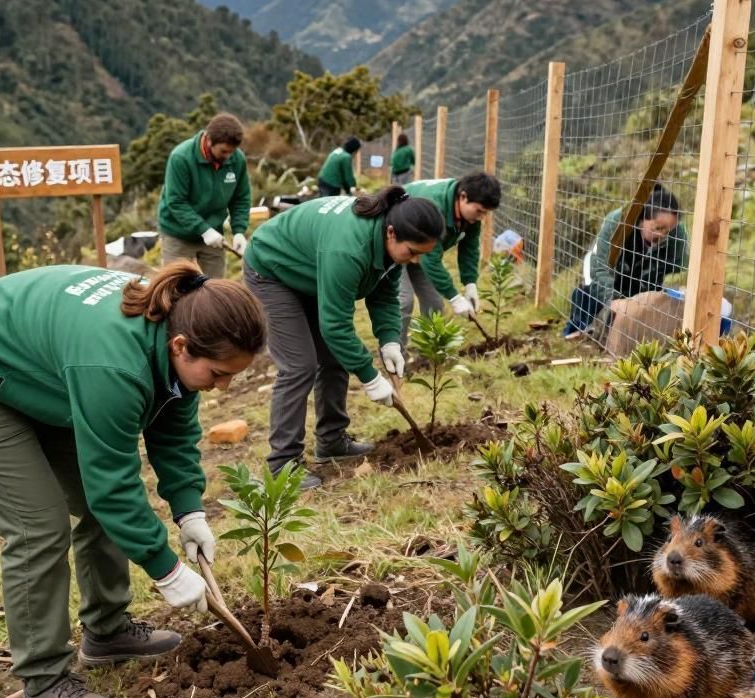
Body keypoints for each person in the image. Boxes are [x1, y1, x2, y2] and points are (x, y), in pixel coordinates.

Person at [0, 263, 267, 698]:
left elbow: (174, 431)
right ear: (180, 346)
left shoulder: (178, 331)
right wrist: (165, 569)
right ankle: (42, 684)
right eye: (218, 373)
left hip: (43, 373)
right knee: (37, 525)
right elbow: (114, 486)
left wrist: (189, 510)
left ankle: (107, 630)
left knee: (98, 506)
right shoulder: (115, 364)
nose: (222, 386)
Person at [242, 187, 445, 490]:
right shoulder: (349, 249)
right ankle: (282, 465)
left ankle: (331, 441)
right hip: (273, 269)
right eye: (412, 252)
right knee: (300, 365)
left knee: (335, 357)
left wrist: (390, 340)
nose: (415, 261)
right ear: (391, 232)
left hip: (311, 270)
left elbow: (385, 294)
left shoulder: (388, 243)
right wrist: (370, 376)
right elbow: (335, 325)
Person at [564, 184, 687, 337]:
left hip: (644, 274)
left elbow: (683, 266)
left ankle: (616, 334)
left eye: (668, 231)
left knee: (638, 305)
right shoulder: (617, 222)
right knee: (592, 294)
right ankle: (577, 329)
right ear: (643, 219)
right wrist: (615, 301)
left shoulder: (677, 234)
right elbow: (599, 268)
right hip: (608, 267)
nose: (663, 235)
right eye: (658, 228)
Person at [399, 173, 501, 350]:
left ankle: (431, 355)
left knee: (434, 303)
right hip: (395, 243)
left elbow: (469, 248)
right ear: (463, 197)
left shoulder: (470, 216)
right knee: (403, 301)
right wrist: (454, 296)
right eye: (479, 211)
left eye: (486, 213)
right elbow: (430, 259)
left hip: (420, 250)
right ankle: (395, 357)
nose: (481, 217)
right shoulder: (434, 206)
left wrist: (470, 284)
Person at [157, 113, 252, 279]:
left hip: (214, 233)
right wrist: (204, 230)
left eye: (232, 151)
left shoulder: (237, 160)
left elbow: (241, 198)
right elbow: (176, 202)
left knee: (215, 286)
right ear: (208, 140)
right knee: (174, 287)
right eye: (223, 151)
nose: (228, 156)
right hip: (178, 233)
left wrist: (239, 231)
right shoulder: (181, 158)